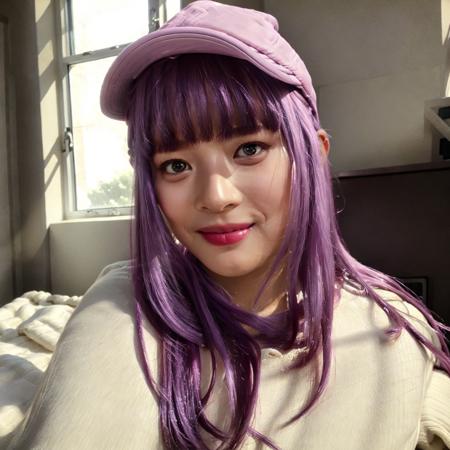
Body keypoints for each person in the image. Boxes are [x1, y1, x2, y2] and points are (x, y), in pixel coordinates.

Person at [8, 1, 450, 449]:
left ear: (314, 155)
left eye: (249, 149)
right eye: (176, 164)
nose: (216, 197)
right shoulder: (121, 307)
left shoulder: (391, 331)